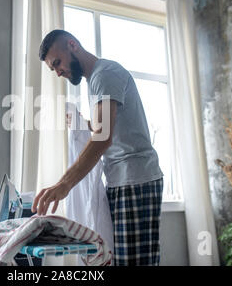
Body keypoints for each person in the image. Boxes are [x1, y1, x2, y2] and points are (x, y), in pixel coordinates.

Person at [31, 29, 164, 266]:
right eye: (53, 69)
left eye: (58, 63)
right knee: (119, 259)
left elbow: (103, 138)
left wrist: (63, 184)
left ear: (72, 44)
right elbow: (112, 126)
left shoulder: (105, 74)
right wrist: (86, 125)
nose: (58, 71)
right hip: (120, 180)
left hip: (135, 179)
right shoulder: (95, 80)